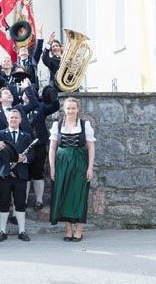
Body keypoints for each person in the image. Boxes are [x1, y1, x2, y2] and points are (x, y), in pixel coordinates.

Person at [49, 97, 95, 242]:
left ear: (78, 109)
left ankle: (79, 230)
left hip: (80, 162)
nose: (70, 111)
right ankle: (68, 230)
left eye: (73, 108)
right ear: (64, 109)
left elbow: (91, 147)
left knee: (79, 195)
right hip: (62, 163)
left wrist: (90, 167)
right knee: (64, 194)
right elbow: (52, 147)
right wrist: (52, 167)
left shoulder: (84, 124)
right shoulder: (57, 125)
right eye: (68, 108)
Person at [0, 108, 35, 242]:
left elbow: (33, 154)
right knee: (4, 202)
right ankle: (2, 231)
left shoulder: (26, 136)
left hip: (21, 173)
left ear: (20, 120)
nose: (14, 120)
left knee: (20, 203)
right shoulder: (0, 134)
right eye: (11, 117)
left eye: (16, 118)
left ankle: (22, 231)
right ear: (7, 119)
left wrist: (25, 158)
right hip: (5, 173)